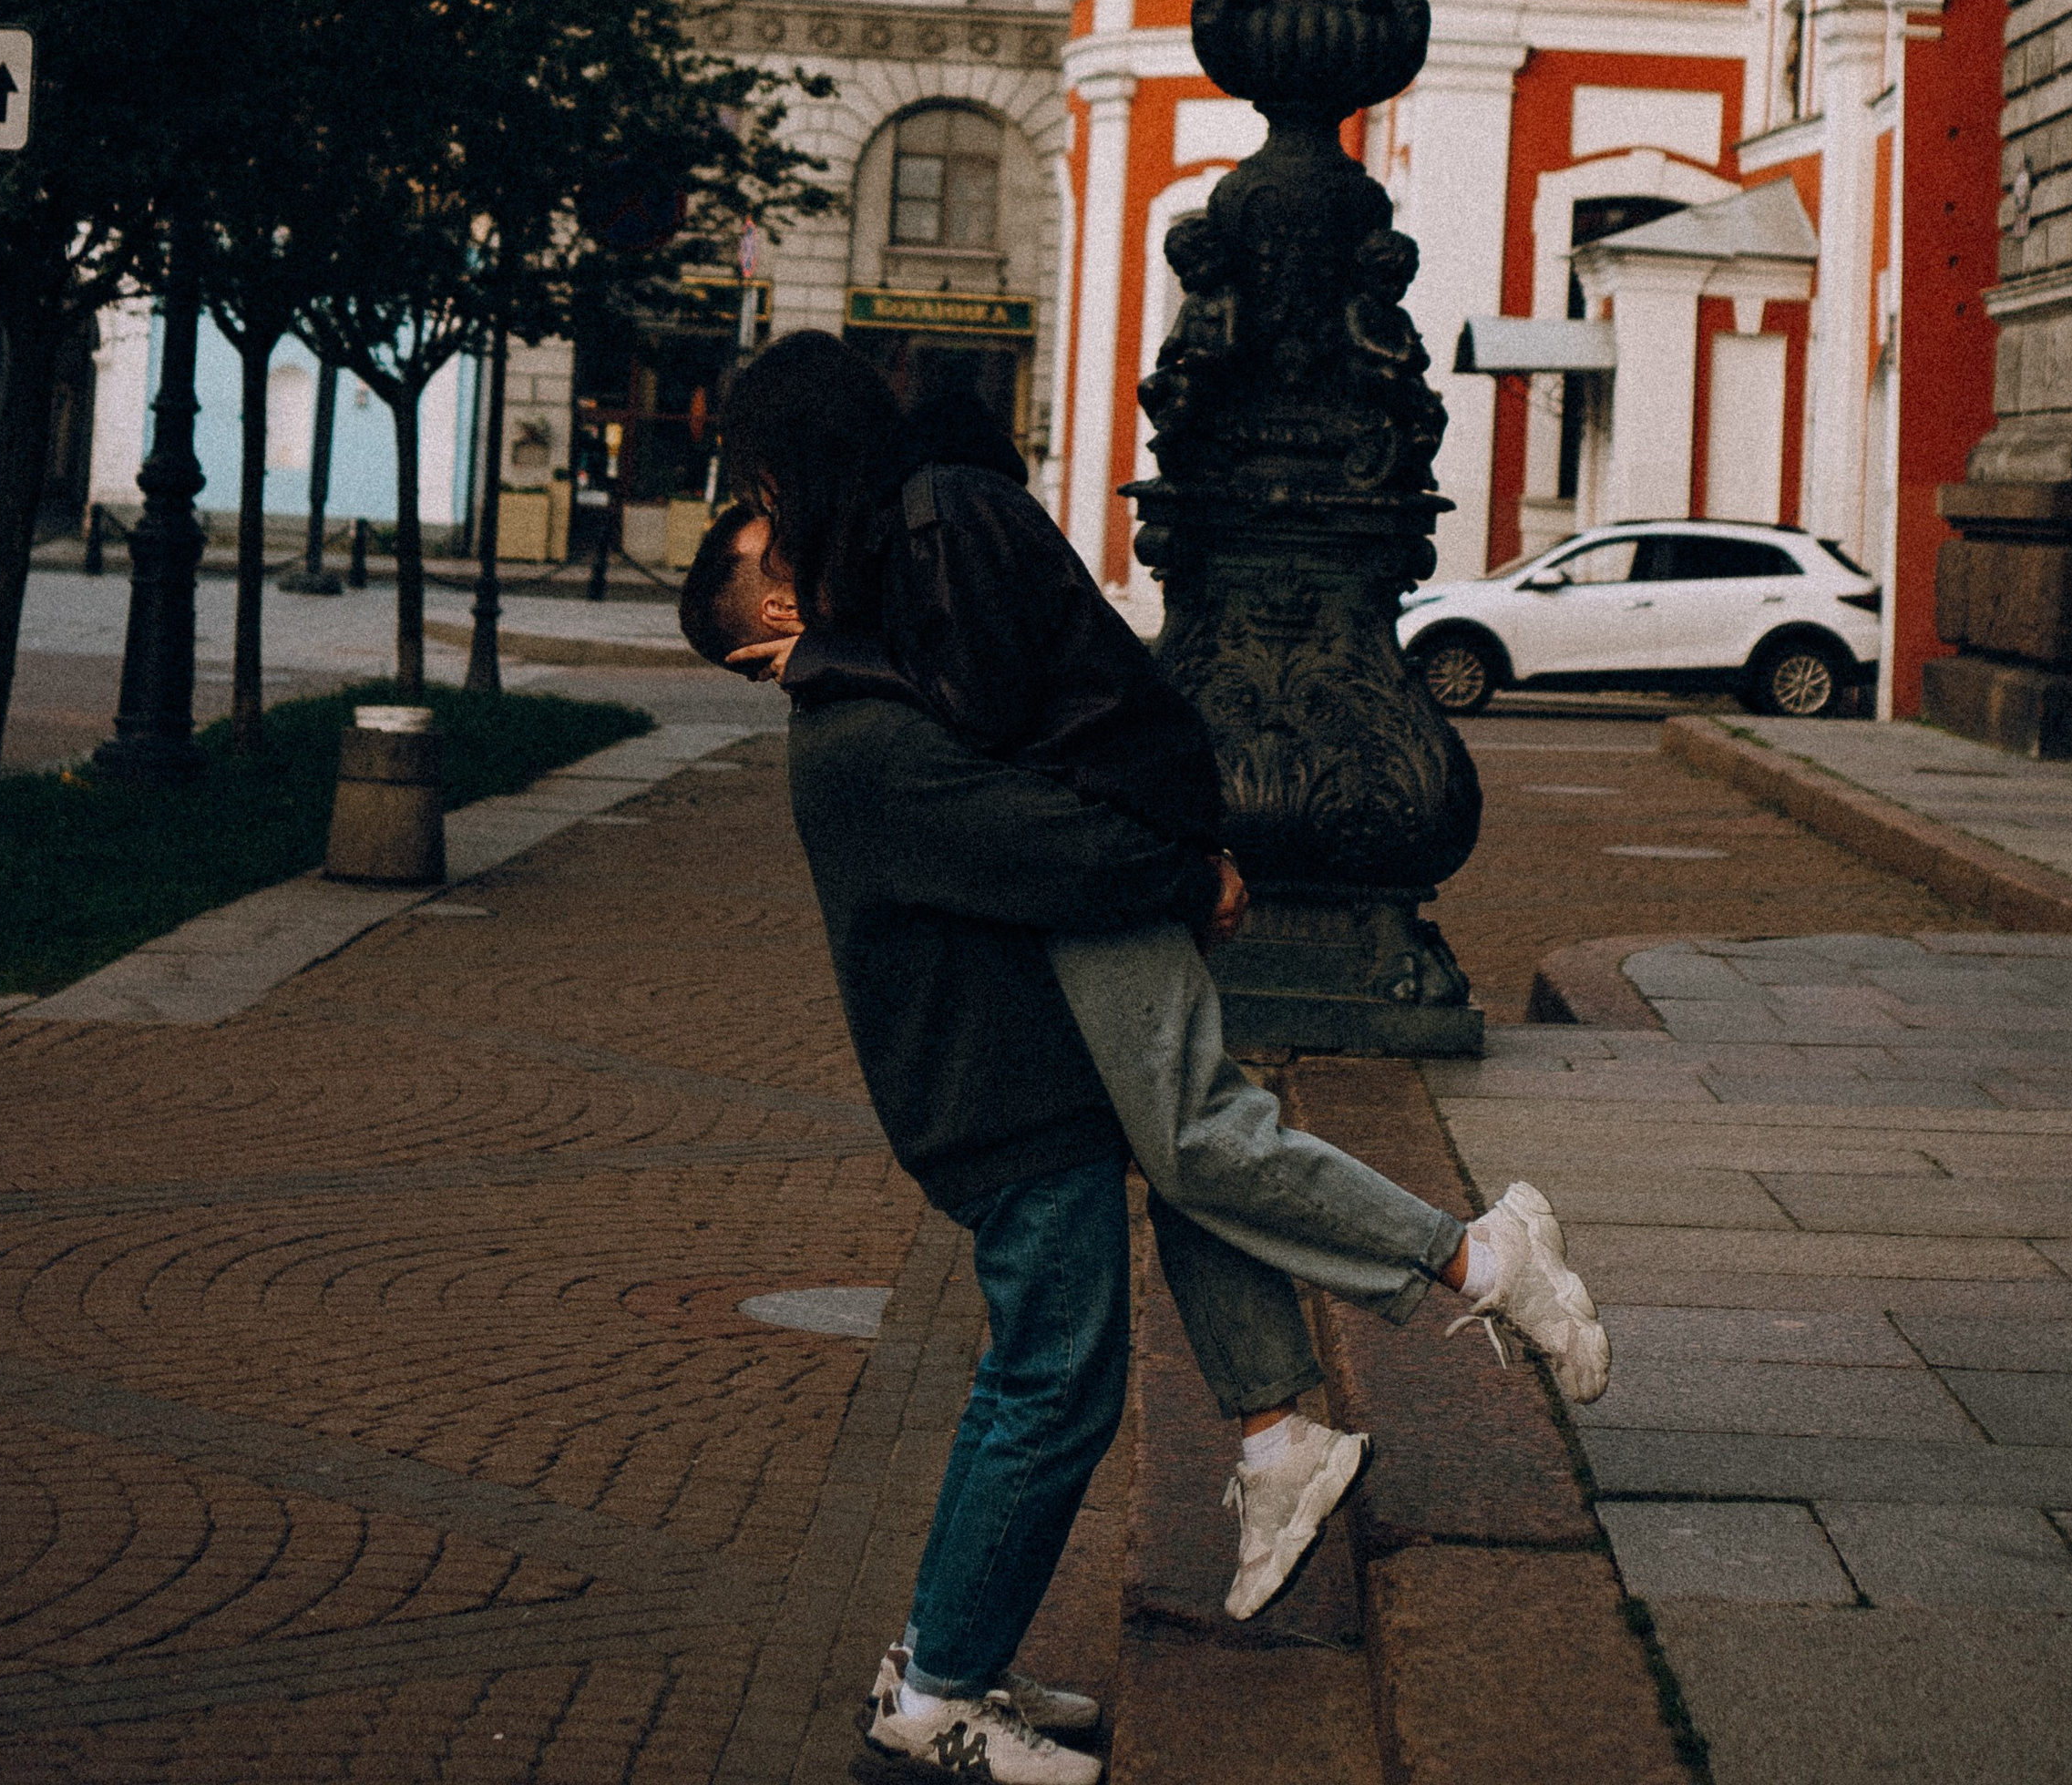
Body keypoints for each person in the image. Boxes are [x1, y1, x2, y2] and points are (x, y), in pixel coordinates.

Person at [690, 336, 1609, 1782]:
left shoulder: (930, 534)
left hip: (1110, 872)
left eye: (762, 496)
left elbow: (1011, 739)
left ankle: (1466, 1269)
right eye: (764, 558)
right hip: (1047, 1001)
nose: (768, 527)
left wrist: (1182, 861)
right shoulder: (873, 662)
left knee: (1181, 1153)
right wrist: (829, 656)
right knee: (1154, 1206)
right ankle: (1263, 1441)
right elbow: (988, 753)